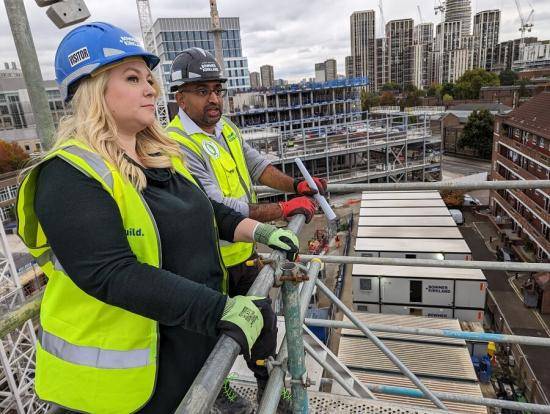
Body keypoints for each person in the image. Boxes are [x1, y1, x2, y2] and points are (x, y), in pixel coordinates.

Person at [16, 22, 300, 414]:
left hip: (177, 363)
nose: (151, 88)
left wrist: (260, 230)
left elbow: (203, 210)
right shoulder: (67, 174)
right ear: (93, 91)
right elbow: (110, 272)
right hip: (116, 391)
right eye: (133, 78)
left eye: (150, 78)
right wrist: (219, 310)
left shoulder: (157, 156)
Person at [165, 48, 327, 408]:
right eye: (202, 90)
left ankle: (269, 386)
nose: (214, 98)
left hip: (242, 253)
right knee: (208, 334)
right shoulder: (177, 145)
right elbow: (219, 208)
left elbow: (257, 166)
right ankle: (216, 390)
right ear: (181, 97)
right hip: (207, 263)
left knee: (263, 326)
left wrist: (295, 186)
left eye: (217, 90)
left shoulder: (223, 129)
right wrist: (285, 209)